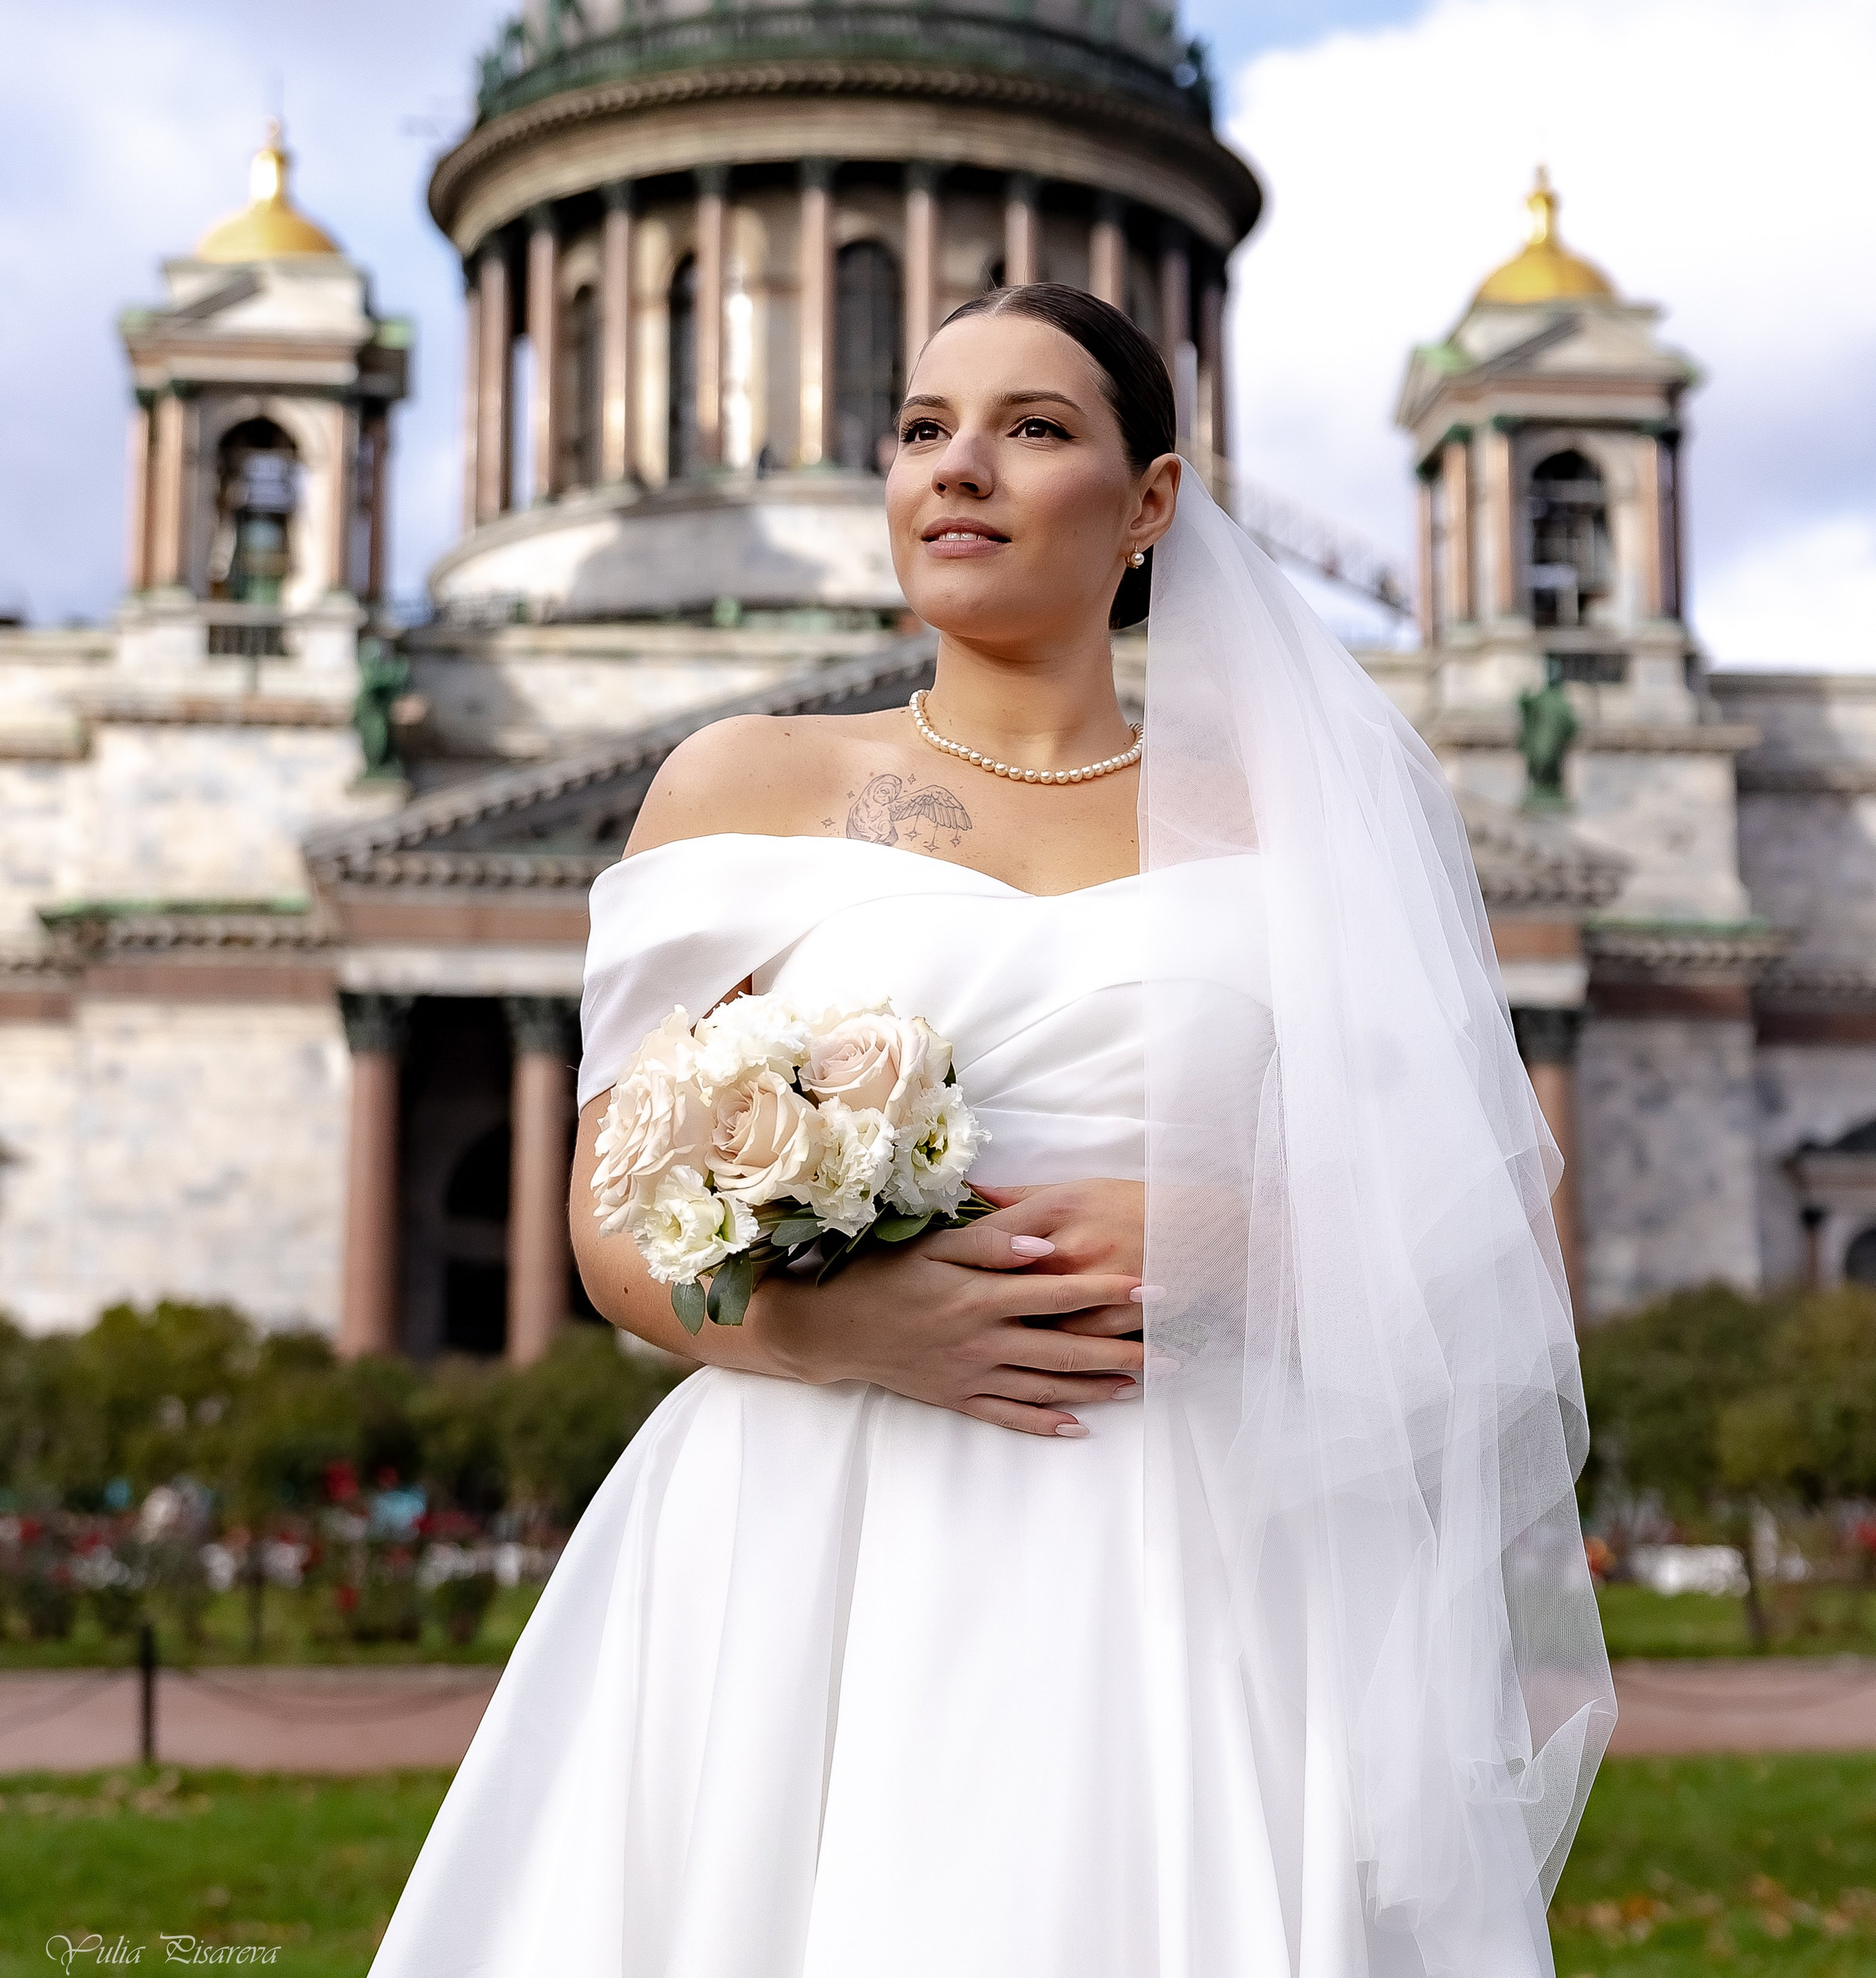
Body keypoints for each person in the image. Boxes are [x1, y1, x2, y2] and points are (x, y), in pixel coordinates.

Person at [372, 285, 1613, 1978]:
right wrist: (839, 1319)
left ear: (1151, 503)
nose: (957, 470)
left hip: (1187, 1529)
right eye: (920, 428)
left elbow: (1458, 1229)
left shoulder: (1297, 819)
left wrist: (1232, 1238)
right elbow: (610, 1228)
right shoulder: (741, 781)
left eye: (1031, 428)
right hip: (808, 1517)